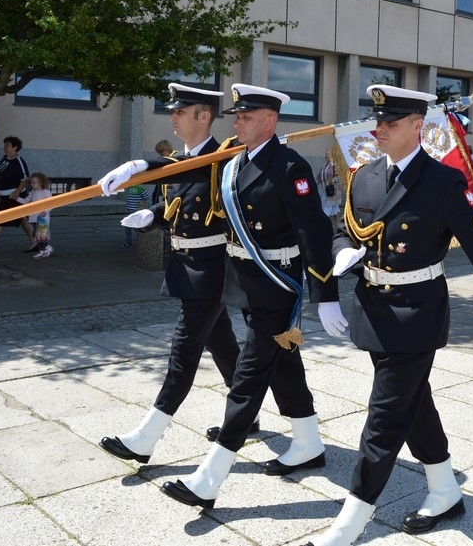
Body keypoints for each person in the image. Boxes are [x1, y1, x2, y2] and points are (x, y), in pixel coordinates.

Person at [307, 85, 473, 546]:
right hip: (373, 310)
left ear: (418, 126)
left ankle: (350, 522)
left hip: (416, 315)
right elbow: (343, 229)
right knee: (414, 403)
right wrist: (340, 257)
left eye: (390, 122)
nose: (378, 129)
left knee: (384, 418)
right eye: (377, 121)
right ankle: (444, 491)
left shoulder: (443, 182)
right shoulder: (364, 175)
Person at [137, 83, 343, 511]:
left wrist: (325, 294)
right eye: (237, 117)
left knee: (247, 379)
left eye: (247, 117)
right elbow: (190, 170)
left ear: (270, 121)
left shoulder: (290, 167)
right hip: (246, 284)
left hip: (277, 285)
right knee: (284, 361)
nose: (238, 123)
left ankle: (209, 478)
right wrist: (141, 167)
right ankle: (308, 442)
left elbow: (314, 231)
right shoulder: (234, 162)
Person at [97, 84, 249, 467]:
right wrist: (152, 216)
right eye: (173, 111)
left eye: (181, 111)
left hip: (213, 270)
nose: (173, 117)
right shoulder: (179, 161)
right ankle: (247, 412)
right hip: (185, 266)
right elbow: (177, 205)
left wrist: (143, 166)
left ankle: (146, 437)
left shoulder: (226, 157)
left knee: (184, 350)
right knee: (222, 343)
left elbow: (202, 176)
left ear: (204, 116)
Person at [0, 136, 35, 255]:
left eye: (8, 145)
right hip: (4, 196)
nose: (5, 147)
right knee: (22, 219)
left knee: (0, 219)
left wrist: (17, 193)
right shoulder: (5, 158)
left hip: (13, 197)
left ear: (15, 147)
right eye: (5, 144)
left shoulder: (19, 161)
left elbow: (24, 179)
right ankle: (35, 241)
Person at [16, 172, 54, 259]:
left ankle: (48, 247)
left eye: (34, 182)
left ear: (41, 182)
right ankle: (42, 251)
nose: (32, 184)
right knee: (34, 234)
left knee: (40, 235)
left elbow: (51, 204)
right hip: (33, 217)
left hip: (42, 218)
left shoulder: (46, 192)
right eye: (31, 182)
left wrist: (46, 211)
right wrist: (16, 198)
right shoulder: (33, 192)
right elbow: (26, 201)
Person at [318, 147, 342, 228]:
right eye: (326, 154)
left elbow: (339, 177)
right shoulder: (325, 165)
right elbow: (320, 176)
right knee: (334, 207)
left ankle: (324, 223)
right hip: (326, 188)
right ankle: (337, 223)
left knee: (327, 207)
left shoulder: (335, 166)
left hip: (333, 190)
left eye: (328, 154)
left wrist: (332, 181)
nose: (327, 156)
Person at [150, 139, 174, 206]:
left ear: (166, 150)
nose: (161, 155)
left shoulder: (174, 159)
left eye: (162, 152)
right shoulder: (164, 160)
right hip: (161, 188)